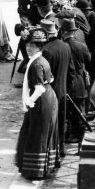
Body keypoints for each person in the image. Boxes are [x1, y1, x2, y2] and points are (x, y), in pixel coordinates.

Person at [15, 28, 60, 180]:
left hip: (41, 101)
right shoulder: (42, 60)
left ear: (39, 47)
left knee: (36, 133)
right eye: (27, 45)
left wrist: (29, 100)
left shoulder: (36, 64)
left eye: (32, 46)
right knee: (42, 132)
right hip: (49, 98)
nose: (28, 48)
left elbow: (39, 88)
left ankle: (35, 170)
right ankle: (45, 166)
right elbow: (51, 79)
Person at [39, 19, 71, 158]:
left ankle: (51, 154)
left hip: (50, 92)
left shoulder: (46, 51)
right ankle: (61, 148)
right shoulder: (65, 46)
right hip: (63, 89)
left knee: (49, 123)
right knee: (61, 120)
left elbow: (45, 76)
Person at [59, 18, 90, 143]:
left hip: (69, 81)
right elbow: (88, 59)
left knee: (71, 111)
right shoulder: (81, 46)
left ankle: (75, 135)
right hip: (81, 81)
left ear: (64, 32)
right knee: (80, 109)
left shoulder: (64, 47)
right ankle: (78, 134)